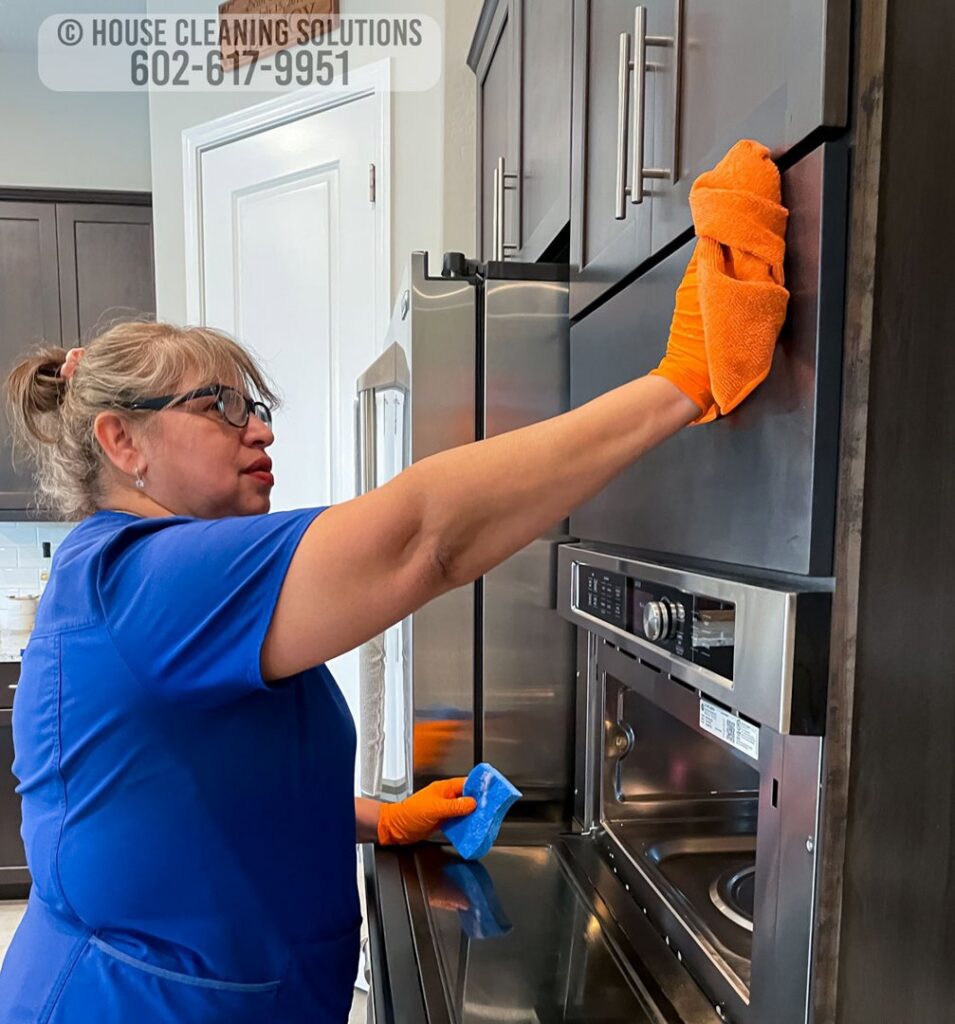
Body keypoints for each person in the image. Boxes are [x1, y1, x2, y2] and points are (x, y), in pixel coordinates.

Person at [0, 280, 731, 1022]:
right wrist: (677, 388)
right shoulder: (147, 578)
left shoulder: (139, 578)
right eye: (219, 406)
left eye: (254, 409)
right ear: (122, 441)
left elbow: (191, 784)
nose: (260, 431)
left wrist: (375, 820)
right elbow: (424, 541)